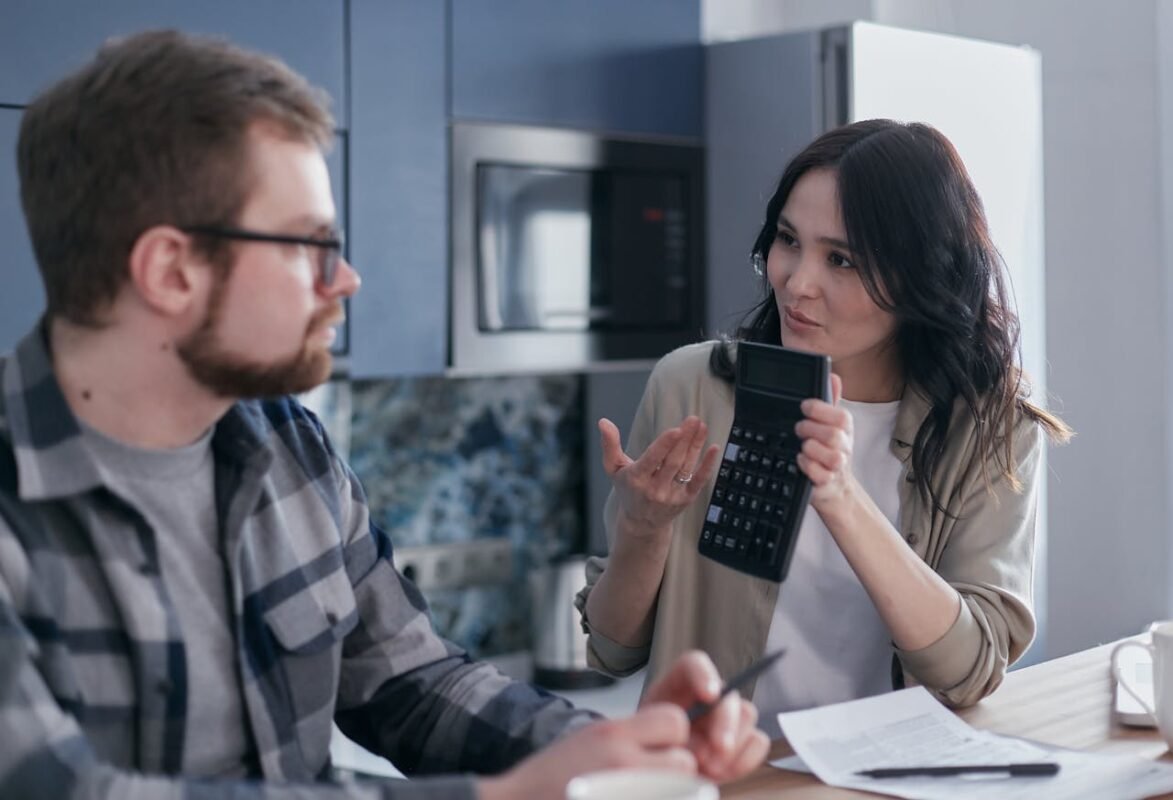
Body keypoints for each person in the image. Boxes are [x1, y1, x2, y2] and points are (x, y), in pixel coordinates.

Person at [0, 30, 769, 799]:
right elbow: (57, 787)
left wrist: (602, 746)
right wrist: (502, 797)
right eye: (311, 246)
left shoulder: (287, 445)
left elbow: (410, 679)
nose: (348, 279)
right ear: (171, 270)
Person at [577, 119, 1072, 733]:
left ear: (921, 277)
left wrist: (839, 493)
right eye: (788, 240)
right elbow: (613, 648)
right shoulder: (692, 387)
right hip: (721, 780)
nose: (796, 281)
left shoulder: (992, 431)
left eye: (841, 258)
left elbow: (968, 670)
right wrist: (643, 531)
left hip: (884, 782)